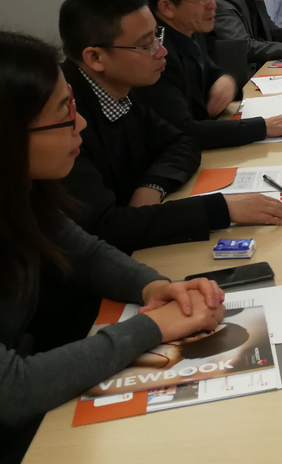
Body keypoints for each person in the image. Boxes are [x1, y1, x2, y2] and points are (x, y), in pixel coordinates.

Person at [0, 30, 227, 463]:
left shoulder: (23, 191)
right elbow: (14, 389)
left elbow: (85, 253)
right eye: (65, 114)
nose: (81, 123)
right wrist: (153, 327)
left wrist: (155, 287)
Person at [58, 0, 282, 255]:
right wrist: (222, 208)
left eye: (157, 37)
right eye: (146, 45)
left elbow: (181, 141)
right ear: (95, 57)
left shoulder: (120, 90)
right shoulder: (62, 118)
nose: (161, 51)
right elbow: (105, 228)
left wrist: (154, 184)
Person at [134, 0, 282, 150]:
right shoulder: (154, 54)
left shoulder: (191, 30)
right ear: (167, 7)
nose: (213, 4)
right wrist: (263, 127)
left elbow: (212, 70)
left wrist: (225, 80)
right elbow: (182, 131)